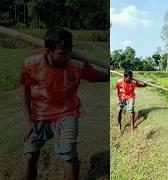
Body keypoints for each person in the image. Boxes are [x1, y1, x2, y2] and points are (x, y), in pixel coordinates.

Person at [21, 27, 108, 180]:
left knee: (68, 156)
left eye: (69, 52)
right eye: (62, 54)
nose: (66, 57)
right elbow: (25, 90)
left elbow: (98, 76)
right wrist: (28, 120)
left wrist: (110, 72)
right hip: (38, 114)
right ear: (49, 50)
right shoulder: (31, 63)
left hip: (67, 114)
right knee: (29, 155)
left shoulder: (77, 65)